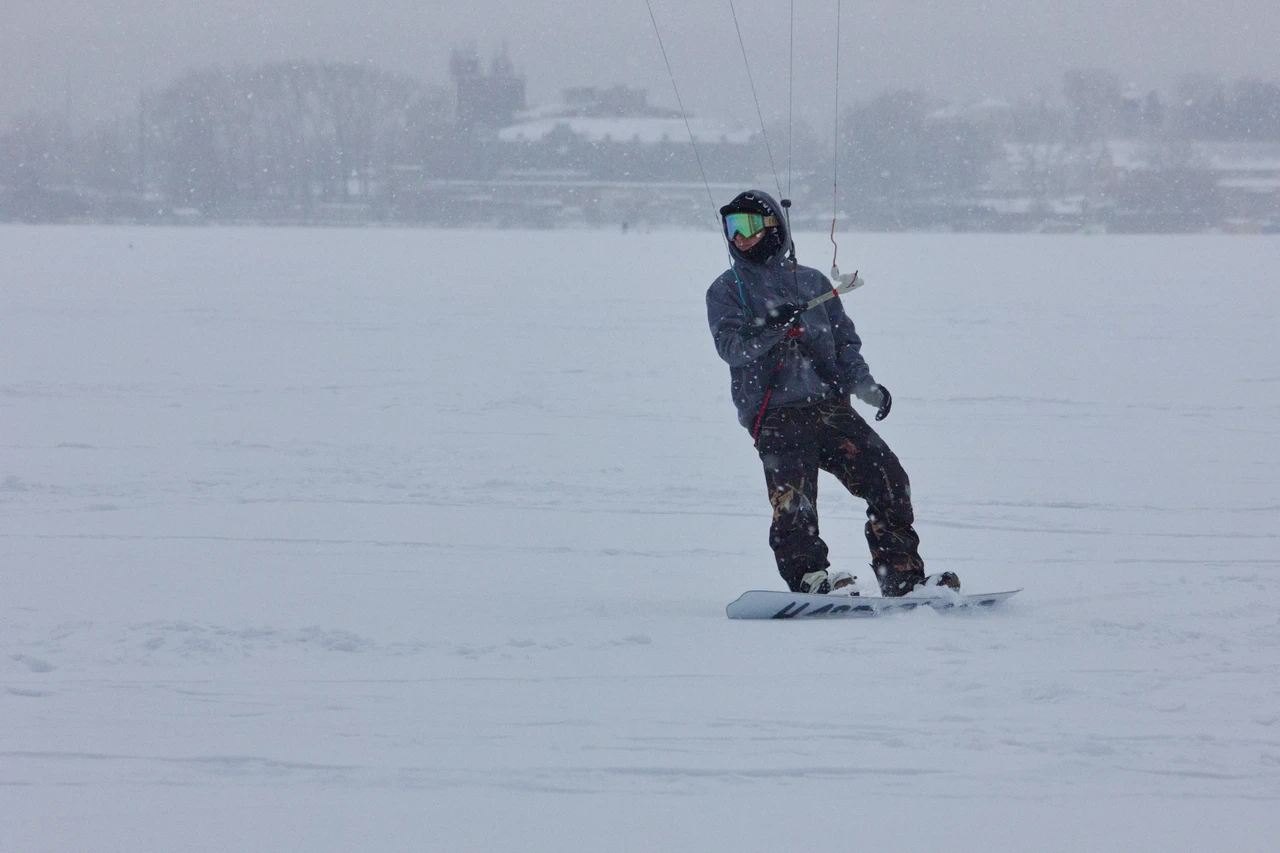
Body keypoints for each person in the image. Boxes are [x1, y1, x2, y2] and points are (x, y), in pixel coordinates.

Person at [706, 189, 959, 597]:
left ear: (774, 228)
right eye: (732, 227)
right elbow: (732, 349)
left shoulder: (812, 282)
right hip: (774, 413)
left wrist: (866, 386)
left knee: (889, 479)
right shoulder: (726, 290)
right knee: (795, 502)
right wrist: (771, 326)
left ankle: (903, 577)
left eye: (750, 225)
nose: (740, 236)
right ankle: (811, 579)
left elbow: (843, 343)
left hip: (828, 407)